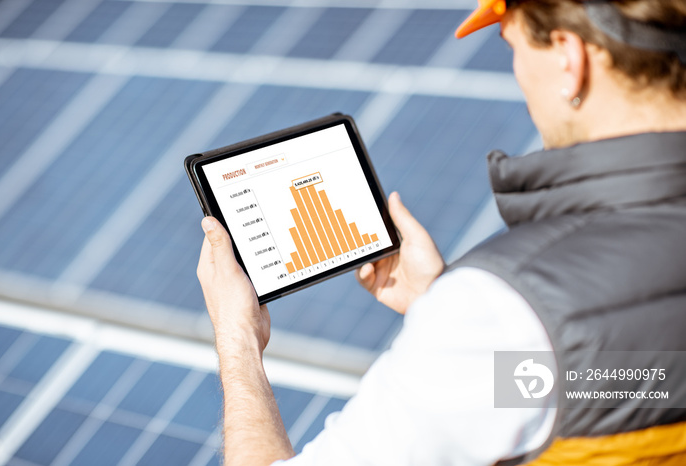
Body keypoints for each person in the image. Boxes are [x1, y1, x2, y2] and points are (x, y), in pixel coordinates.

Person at [196, 0, 686, 464]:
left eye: (514, 47)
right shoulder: (511, 329)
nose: (518, 75)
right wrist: (440, 300)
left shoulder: (499, 317)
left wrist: (237, 336)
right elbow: (614, 378)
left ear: (568, 58)